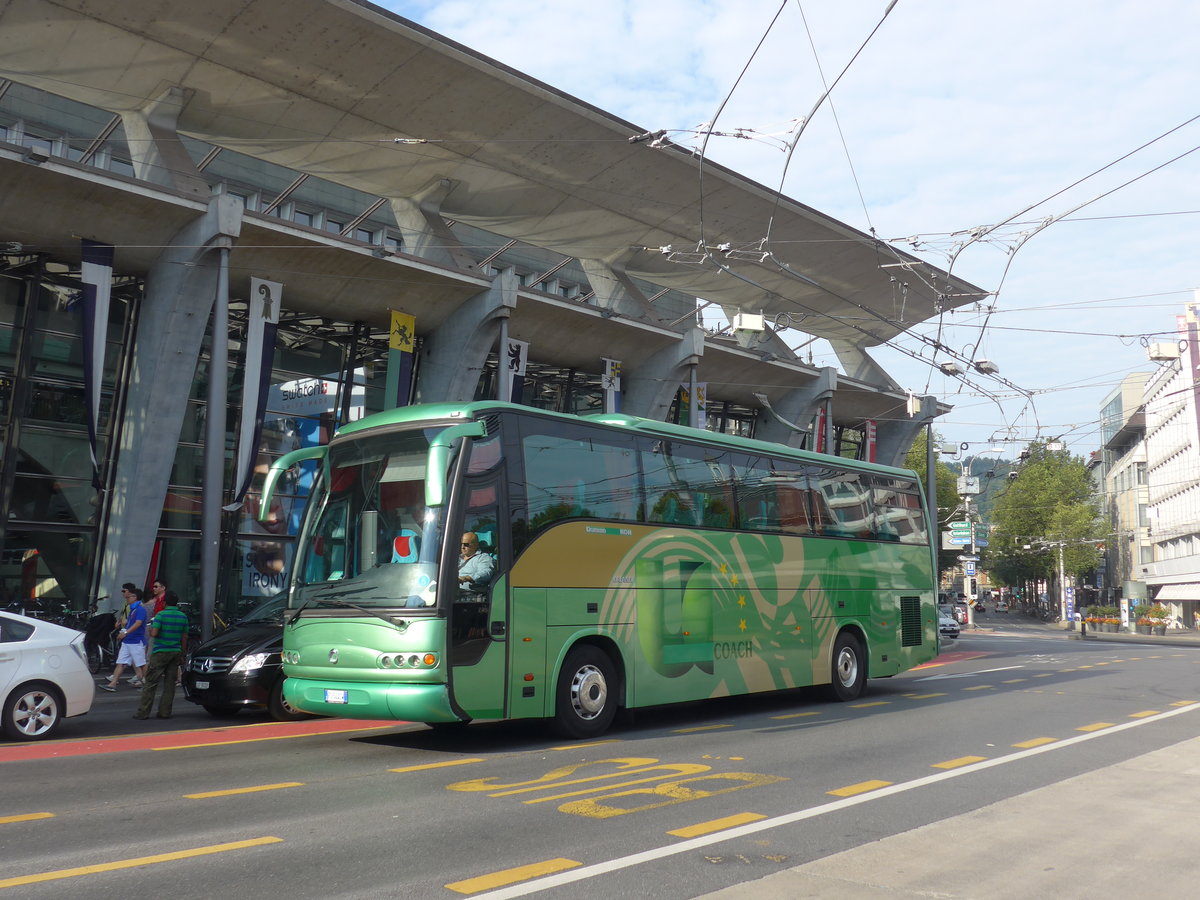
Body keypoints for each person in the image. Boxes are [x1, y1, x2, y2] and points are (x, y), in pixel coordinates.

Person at [134, 594, 189, 720]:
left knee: (151, 683)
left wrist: (150, 629)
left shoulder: (161, 615)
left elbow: (154, 633)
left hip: (160, 651)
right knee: (170, 684)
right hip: (175, 651)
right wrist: (182, 653)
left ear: (165, 603)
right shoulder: (183, 616)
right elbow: (185, 637)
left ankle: (143, 712)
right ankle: (165, 712)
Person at [99, 586, 148, 691]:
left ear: (135, 597)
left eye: (129, 597)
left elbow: (138, 623)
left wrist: (125, 632)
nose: (127, 598)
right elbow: (131, 623)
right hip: (128, 641)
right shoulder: (133, 610)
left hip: (136, 641)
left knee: (141, 664)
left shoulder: (140, 609)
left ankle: (148, 685)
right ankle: (112, 684)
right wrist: (124, 631)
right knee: (121, 662)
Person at [457, 532, 494, 597]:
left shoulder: (483, 558)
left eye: (466, 544)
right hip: (451, 591)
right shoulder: (457, 558)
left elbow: (486, 572)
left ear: (475, 545)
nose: (462, 547)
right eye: (461, 544)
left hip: (469, 595)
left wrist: (468, 578)